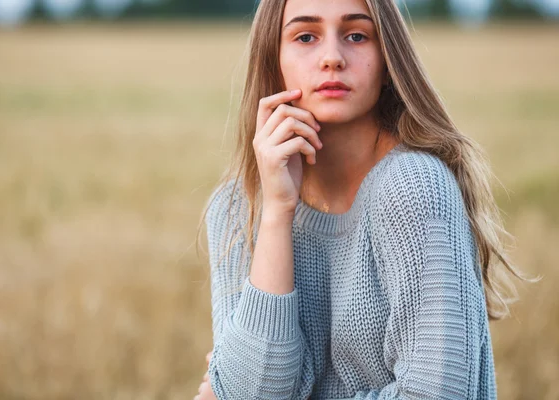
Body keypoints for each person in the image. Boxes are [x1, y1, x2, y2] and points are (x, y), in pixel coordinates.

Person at [195, 0, 529, 398]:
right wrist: (276, 214)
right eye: (305, 37)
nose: (332, 58)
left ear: (387, 60)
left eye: (357, 35)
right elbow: (252, 392)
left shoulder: (414, 187)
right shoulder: (238, 208)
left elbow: (436, 393)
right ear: (273, 59)